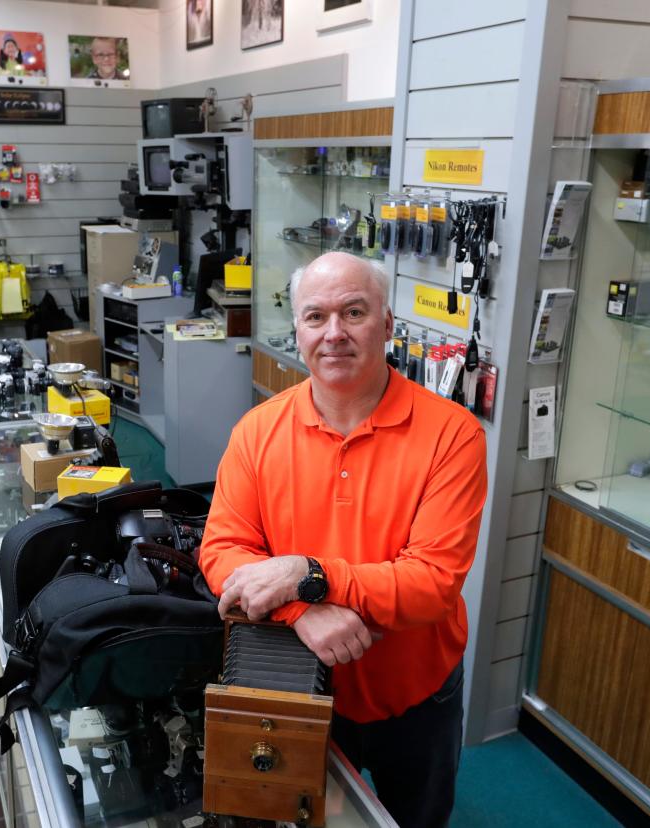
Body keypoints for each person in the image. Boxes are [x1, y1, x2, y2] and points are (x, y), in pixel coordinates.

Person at [199, 251, 487, 828]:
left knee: (418, 818)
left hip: (417, 695)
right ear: (299, 331)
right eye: (315, 317)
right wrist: (303, 608)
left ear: (386, 324)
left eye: (353, 312)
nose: (334, 334)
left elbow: (431, 584)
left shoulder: (453, 434)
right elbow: (222, 553)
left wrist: (309, 573)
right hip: (298, 683)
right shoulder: (258, 431)